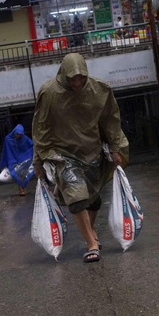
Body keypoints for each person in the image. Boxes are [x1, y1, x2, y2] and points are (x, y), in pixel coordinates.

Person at [32, 53, 129, 263]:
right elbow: (41, 128)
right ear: (63, 75)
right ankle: (92, 244)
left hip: (92, 151)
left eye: (81, 78)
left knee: (92, 199)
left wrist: (115, 148)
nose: (77, 83)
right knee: (76, 199)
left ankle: (90, 231)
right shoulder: (49, 93)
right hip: (63, 155)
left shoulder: (99, 90)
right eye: (72, 79)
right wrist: (38, 160)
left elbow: (111, 119)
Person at [0, 124, 35, 196]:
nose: (18, 136)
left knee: (24, 173)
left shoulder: (24, 138)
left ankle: (21, 188)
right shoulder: (8, 139)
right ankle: (21, 188)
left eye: (20, 134)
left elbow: (31, 145)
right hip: (13, 159)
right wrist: (4, 163)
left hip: (23, 159)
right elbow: (5, 151)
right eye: (17, 134)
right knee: (16, 174)